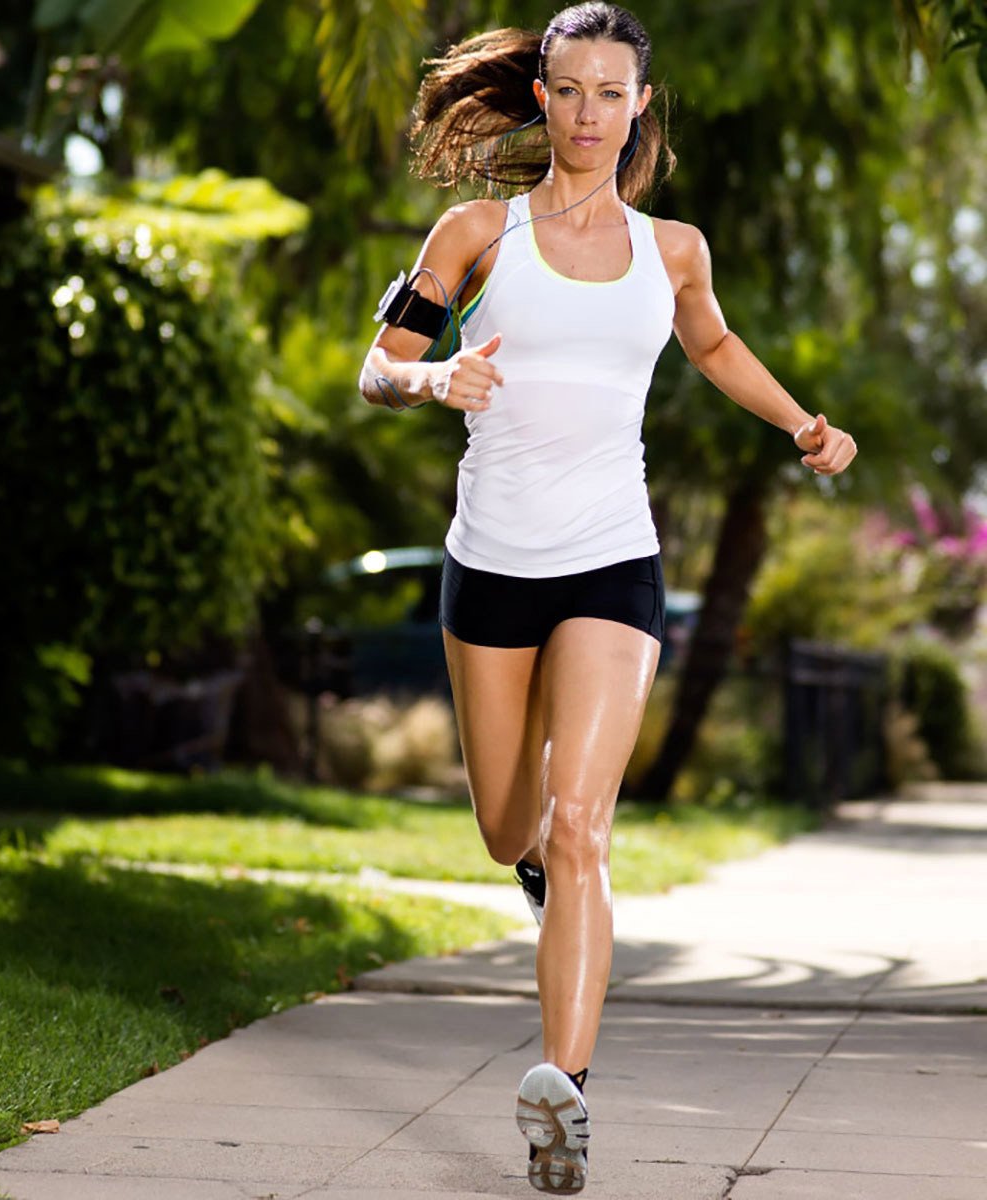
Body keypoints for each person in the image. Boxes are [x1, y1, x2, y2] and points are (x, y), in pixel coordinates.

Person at [358, 3, 857, 1193]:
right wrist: (437, 378)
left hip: (611, 559)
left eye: (610, 93)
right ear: (543, 98)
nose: (589, 114)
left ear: (641, 105)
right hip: (491, 561)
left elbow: (717, 344)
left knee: (582, 824)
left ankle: (564, 1096)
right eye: (569, 90)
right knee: (507, 828)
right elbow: (377, 369)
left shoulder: (673, 248)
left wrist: (803, 423)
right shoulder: (477, 233)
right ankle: (532, 877)